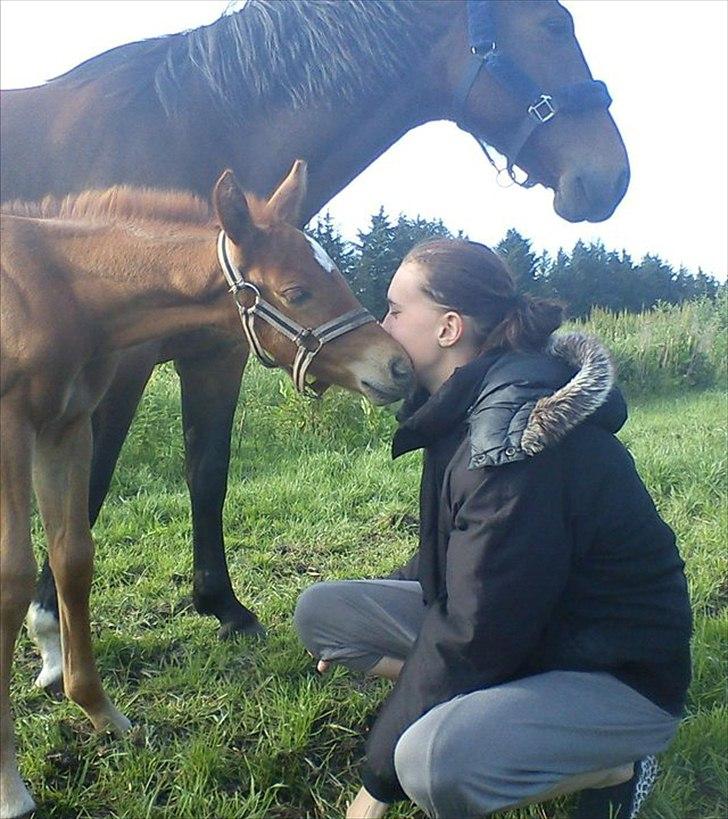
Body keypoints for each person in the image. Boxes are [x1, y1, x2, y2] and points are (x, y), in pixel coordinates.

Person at [294, 239, 692, 819]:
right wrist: (373, 618)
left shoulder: (514, 440)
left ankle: (617, 764)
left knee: (431, 764)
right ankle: (490, 708)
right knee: (323, 612)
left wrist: (374, 787)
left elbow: (478, 630)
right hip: (532, 631)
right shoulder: (466, 406)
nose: (383, 325)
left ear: (449, 328)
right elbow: (461, 555)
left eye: (396, 310)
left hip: (614, 671)